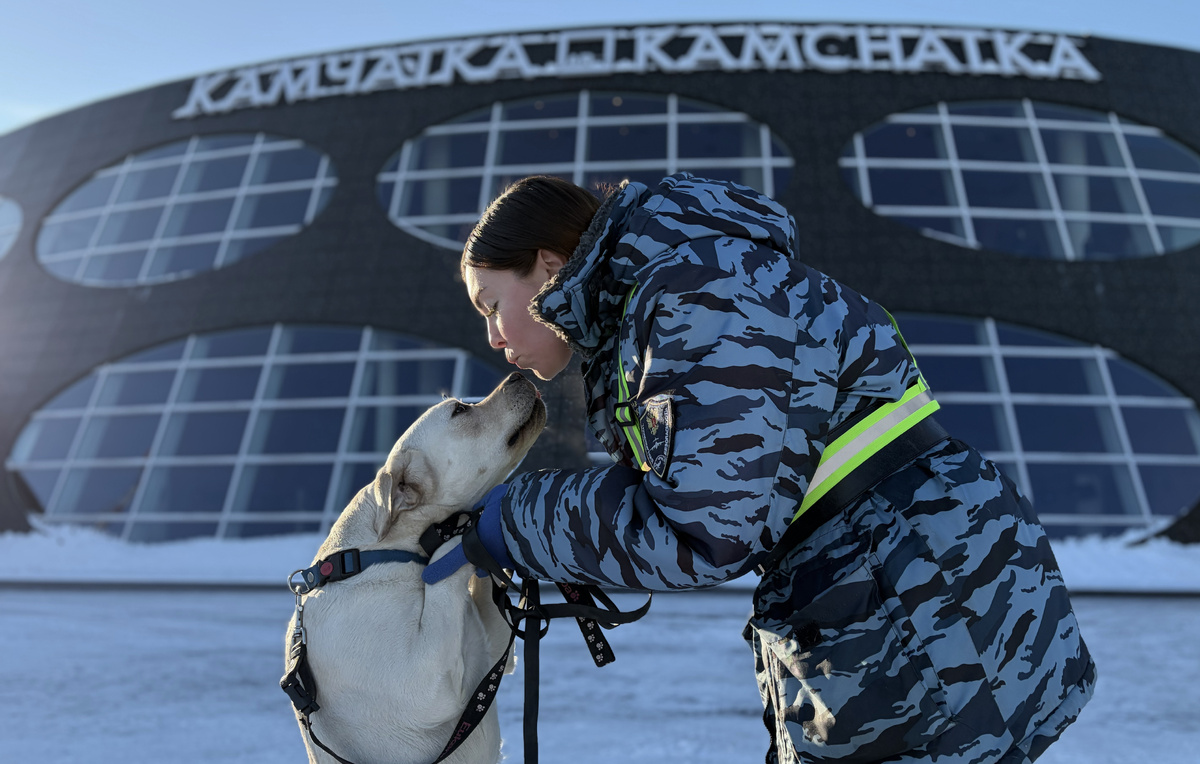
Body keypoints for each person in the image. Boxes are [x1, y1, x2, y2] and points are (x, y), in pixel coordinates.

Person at [424, 173, 1096, 763]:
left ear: (547, 269)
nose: (493, 336)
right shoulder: (672, 292)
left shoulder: (699, 293)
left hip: (915, 603)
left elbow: (704, 532)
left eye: (491, 305)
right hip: (895, 583)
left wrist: (519, 521)